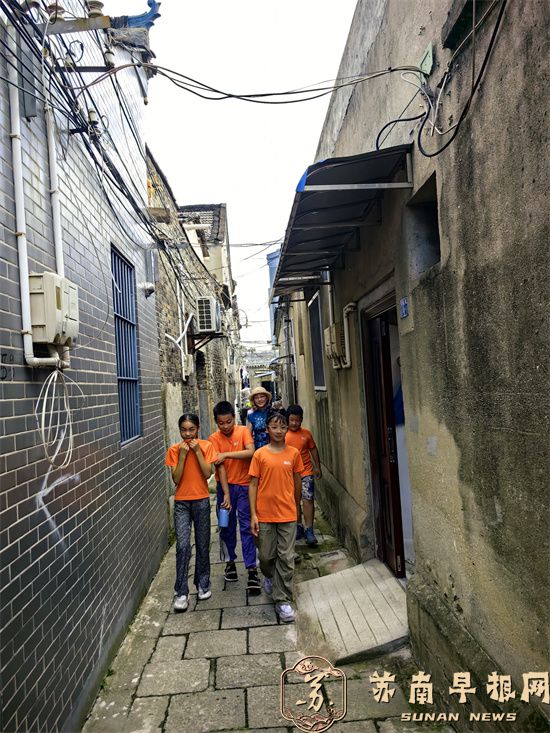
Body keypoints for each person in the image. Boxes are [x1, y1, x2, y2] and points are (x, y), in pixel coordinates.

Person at [165, 413, 230, 612]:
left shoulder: (206, 446)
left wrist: (197, 452)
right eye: (184, 430)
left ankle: (203, 584)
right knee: (183, 545)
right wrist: (183, 456)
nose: (187, 434)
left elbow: (207, 473)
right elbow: (176, 479)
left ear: (198, 429)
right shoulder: (174, 450)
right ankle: (181, 592)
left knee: (202, 544)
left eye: (191, 430)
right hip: (182, 503)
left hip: (201, 500)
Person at [249, 408, 304, 623]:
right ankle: (269, 576)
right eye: (274, 427)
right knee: (266, 556)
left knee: (286, 557)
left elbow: (297, 482)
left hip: (287, 513)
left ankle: (282, 600)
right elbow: (253, 485)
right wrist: (253, 515)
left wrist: (296, 508)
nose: (279, 430)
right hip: (264, 514)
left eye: (282, 426)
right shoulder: (260, 455)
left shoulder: (294, 454)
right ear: (267, 429)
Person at [208, 401, 261, 593]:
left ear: (234, 418)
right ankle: (229, 562)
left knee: (247, 526)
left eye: (229, 422)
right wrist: (226, 495)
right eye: (221, 423)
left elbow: (251, 452)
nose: (225, 426)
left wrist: (226, 454)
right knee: (225, 526)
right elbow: (220, 467)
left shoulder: (243, 431)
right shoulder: (213, 439)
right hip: (225, 489)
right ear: (216, 422)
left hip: (245, 487)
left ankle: (252, 568)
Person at [285, 404, 322, 547]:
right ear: (287, 420)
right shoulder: (283, 435)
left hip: (306, 472)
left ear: (301, 419)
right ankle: (298, 526)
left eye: (297, 420)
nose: (294, 423)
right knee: (294, 501)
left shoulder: (306, 434)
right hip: (290, 474)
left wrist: (317, 467)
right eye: (292, 420)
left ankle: (309, 529)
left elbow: (313, 449)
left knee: (308, 499)